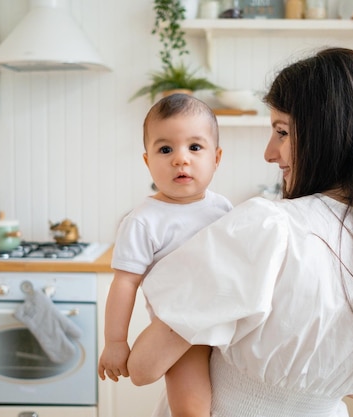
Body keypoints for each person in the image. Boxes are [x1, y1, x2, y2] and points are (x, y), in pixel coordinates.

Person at [127, 47, 353, 417]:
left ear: (326, 134)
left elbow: (143, 365)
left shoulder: (269, 227)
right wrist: (308, 386)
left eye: (281, 132)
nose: (269, 152)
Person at [97, 93, 232, 417]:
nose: (180, 159)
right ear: (147, 161)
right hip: (181, 331)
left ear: (216, 158)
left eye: (195, 147)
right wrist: (116, 341)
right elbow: (125, 283)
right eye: (165, 149)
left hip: (228, 318)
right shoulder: (143, 220)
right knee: (190, 408)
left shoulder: (222, 208)